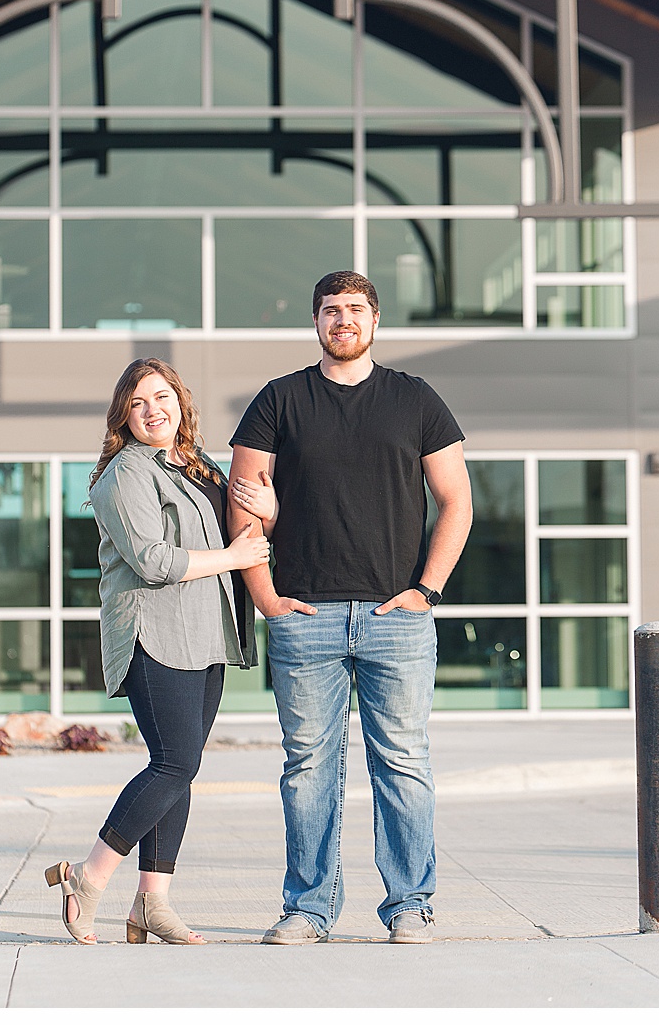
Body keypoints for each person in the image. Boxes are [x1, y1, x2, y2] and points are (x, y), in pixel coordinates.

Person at [229, 270, 473, 946]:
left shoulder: (416, 400)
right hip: (305, 617)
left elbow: (457, 500)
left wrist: (427, 591)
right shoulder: (278, 401)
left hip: (397, 617)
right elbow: (243, 507)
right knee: (308, 767)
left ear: (374, 321)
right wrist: (268, 601)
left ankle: (410, 905)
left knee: (403, 761)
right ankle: (308, 909)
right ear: (316, 321)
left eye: (356, 309)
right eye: (332, 310)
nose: (344, 320)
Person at [46, 357, 267, 945]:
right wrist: (232, 559)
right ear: (124, 413)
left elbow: (248, 529)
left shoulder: (200, 469)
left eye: (163, 397)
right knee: (174, 763)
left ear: (181, 403)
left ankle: (152, 902)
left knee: (180, 771)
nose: (153, 410)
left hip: (208, 636)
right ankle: (85, 880)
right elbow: (150, 559)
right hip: (154, 635)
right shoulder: (125, 473)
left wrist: (266, 515)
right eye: (139, 401)